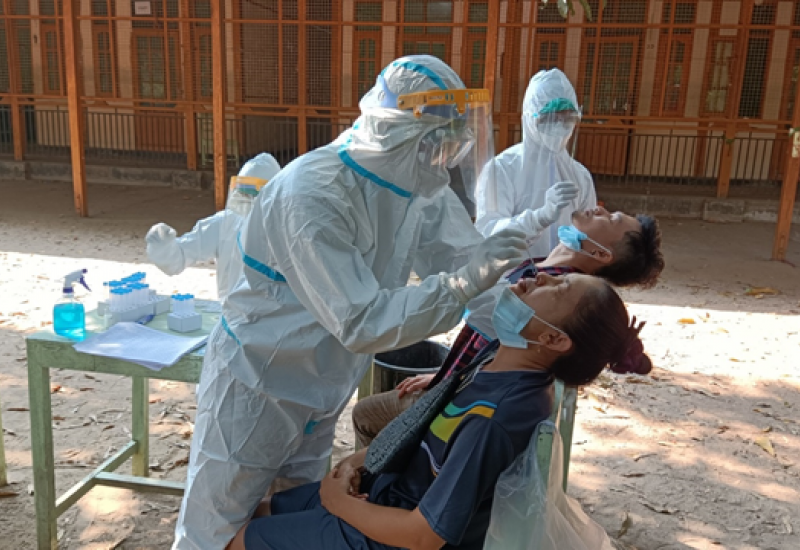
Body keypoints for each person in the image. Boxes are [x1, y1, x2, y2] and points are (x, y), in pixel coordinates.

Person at [173, 55, 531, 549]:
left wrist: (523, 322)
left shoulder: (418, 184)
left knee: (289, 523)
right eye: (435, 142)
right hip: (258, 383)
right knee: (215, 528)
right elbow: (363, 320)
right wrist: (463, 283)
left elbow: (463, 260)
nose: (445, 158)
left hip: (324, 385)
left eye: (452, 143)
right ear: (396, 131)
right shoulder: (311, 193)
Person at [226, 273, 648, 550]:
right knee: (258, 509)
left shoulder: (494, 418)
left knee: (237, 540)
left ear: (554, 340)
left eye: (557, 289)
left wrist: (338, 504)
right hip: (384, 490)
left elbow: (425, 535)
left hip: (391, 535)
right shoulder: (500, 360)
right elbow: (421, 433)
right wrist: (358, 461)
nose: (540, 277)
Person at [353, 205, 663, 447]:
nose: (600, 209)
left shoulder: (560, 300)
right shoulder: (547, 271)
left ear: (600, 253)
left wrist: (449, 388)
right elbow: (492, 337)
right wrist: (445, 376)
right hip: (457, 382)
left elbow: (507, 353)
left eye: (611, 219)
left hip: (461, 400)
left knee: (366, 416)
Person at [475, 68, 596, 258]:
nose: (559, 125)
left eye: (567, 118)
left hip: (565, 275)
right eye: (549, 118)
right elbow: (489, 233)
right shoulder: (501, 169)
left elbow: (591, 232)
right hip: (515, 274)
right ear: (530, 117)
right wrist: (539, 218)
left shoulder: (580, 176)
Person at [145, 153, 282, 301]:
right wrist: (162, 245)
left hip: (273, 313)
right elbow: (178, 259)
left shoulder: (286, 229)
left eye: (254, 195)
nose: (248, 201)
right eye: (244, 194)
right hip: (232, 312)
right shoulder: (224, 224)